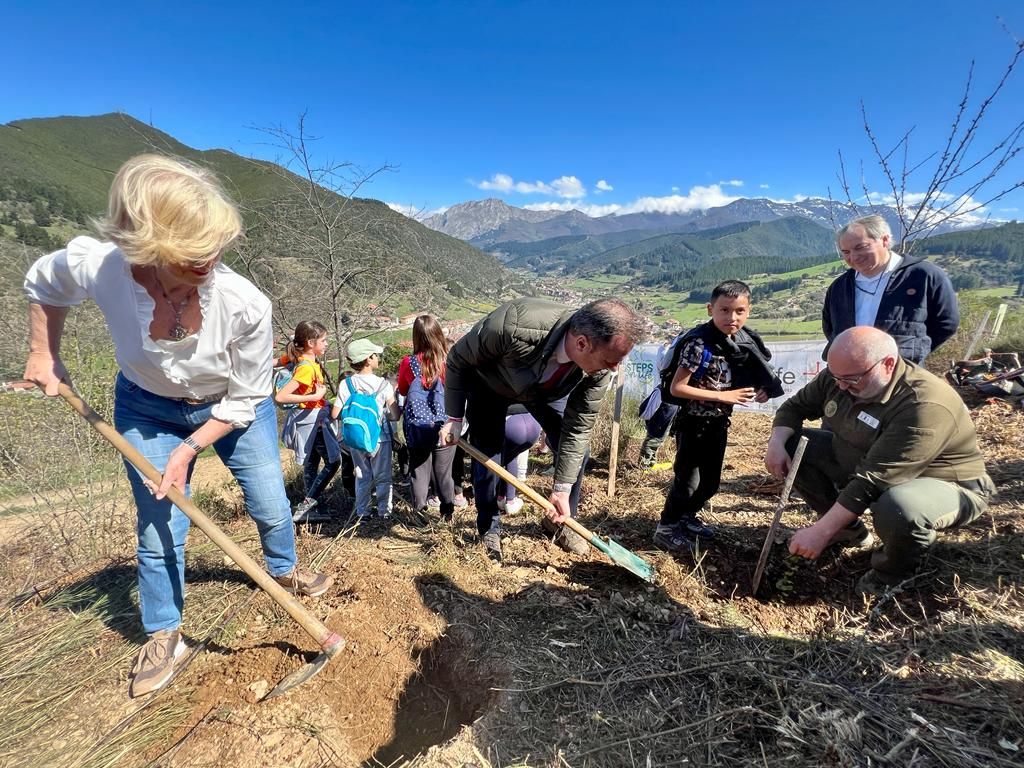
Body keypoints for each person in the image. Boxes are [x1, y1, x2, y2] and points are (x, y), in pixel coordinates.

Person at [22, 154, 332, 698]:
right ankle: (164, 630)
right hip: (145, 408)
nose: (211, 258)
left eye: (215, 247)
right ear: (149, 248)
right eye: (194, 253)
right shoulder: (103, 267)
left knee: (267, 498)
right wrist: (42, 353)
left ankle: (283, 570)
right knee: (159, 518)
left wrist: (190, 447)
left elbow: (245, 399)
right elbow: (44, 283)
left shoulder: (244, 304)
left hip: (235, 408)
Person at [764, 326, 995, 596]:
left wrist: (820, 532)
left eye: (851, 380)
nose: (840, 386)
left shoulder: (924, 404)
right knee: (795, 446)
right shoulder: (842, 375)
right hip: (866, 462)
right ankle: (848, 533)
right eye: (837, 377)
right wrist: (777, 442)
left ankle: (894, 571)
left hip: (941, 484)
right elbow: (795, 407)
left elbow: (872, 481)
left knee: (899, 507)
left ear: (887, 364)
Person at [439, 297, 646, 560]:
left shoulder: (600, 367)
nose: (615, 368)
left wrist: (562, 487)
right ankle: (488, 527)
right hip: (489, 385)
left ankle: (559, 521)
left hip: (545, 390)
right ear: (582, 343)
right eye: (611, 360)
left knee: (576, 452)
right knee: (488, 458)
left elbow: (578, 428)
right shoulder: (513, 325)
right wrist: (454, 418)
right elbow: (457, 359)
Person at [655, 280, 783, 552]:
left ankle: (687, 517)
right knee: (687, 481)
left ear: (748, 311)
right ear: (711, 309)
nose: (731, 317)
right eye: (724, 310)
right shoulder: (699, 344)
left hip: (717, 423)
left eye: (739, 311)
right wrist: (724, 397)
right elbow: (678, 387)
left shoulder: (741, 341)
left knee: (711, 482)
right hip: (693, 423)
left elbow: (750, 372)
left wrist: (762, 390)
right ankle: (666, 528)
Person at [823, 214, 959, 364]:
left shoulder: (924, 276)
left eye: (860, 247)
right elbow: (830, 329)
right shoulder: (839, 287)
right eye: (846, 252)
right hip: (851, 376)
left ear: (885, 240)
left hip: (902, 374)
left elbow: (946, 323)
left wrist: (914, 351)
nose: (854, 257)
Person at [276, 321, 340, 523]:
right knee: (333, 461)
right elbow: (281, 397)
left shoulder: (299, 359)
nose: (326, 344)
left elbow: (277, 361)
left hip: (309, 420)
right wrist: (313, 397)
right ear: (311, 342)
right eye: (323, 340)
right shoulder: (305, 368)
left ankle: (311, 509)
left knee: (311, 462)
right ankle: (308, 504)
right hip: (313, 420)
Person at [396, 314, 456, 520]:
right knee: (444, 473)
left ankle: (420, 514)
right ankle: (447, 512)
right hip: (445, 425)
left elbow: (403, 391)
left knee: (419, 472)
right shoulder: (449, 361)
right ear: (438, 334)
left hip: (417, 427)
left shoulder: (408, 363)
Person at [332, 339, 400, 519]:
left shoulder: (346, 384)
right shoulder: (383, 385)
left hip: (355, 438)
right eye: (375, 355)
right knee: (383, 477)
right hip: (379, 437)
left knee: (361, 475)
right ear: (369, 359)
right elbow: (395, 414)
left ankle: (363, 512)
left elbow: (335, 413)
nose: (378, 357)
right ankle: (384, 512)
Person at [497, 405, 542, 516]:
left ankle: (508, 500)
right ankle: (503, 497)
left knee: (509, 457)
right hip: (533, 422)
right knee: (512, 455)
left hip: (510, 422)